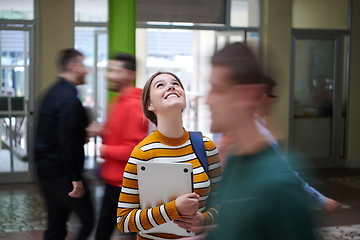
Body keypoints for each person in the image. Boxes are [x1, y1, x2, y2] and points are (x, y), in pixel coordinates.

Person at [204, 42, 315, 240]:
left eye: (218, 90)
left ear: (246, 94)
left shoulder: (279, 184)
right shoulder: (235, 161)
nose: (208, 100)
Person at [117, 71, 223, 240]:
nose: (171, 86)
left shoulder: (206, 146)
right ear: (150, 104)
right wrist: (174, 209)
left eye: (175, 83)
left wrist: (204, 219)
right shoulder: (142, 153)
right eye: (160, 85)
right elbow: (124, 221)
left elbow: (222, 201)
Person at [218, 75, 339, 213]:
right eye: (274, 98)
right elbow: (288, 175)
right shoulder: (261, 136)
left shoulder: (244, 129)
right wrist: (321, 200)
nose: (275, 103)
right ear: (265, 99)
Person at [86, 53, 149, 240]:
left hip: (124, 185)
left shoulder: (133, 105)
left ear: (129, 75)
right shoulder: (117, 101)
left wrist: (103, 150)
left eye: (114, 71)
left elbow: (134, 151)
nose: (108, 75)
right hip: (113, 181)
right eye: (109, 70)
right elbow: (120, 135)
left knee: (112, 234)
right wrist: (103, 132)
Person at [34, 48, 94, 240]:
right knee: (88, 221)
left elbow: (56, 133)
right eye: (83, 65)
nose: (87, 70)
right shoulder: (68, 99)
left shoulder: (52, 92)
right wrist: (75, 178)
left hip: (46, 171)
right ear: (73, 66)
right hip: (62, 173)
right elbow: (66, 142)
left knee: (56, 225)